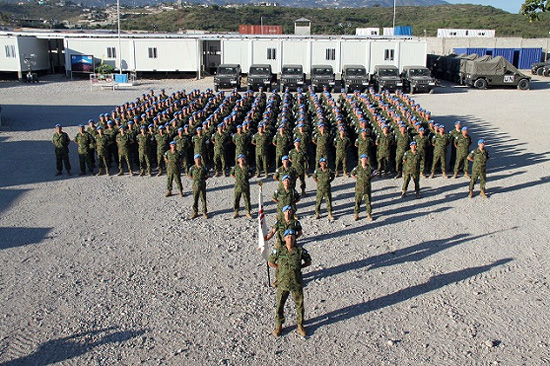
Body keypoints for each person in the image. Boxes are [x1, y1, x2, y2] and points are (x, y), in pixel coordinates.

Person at [268, 229, 311, 337]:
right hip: (283, 283)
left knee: (299, 304)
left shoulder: (300, 251)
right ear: (284, 238)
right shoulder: (279, 250)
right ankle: (279, 325)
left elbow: (308, 261)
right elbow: (270, 262)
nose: (290, 239)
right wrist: (281, 268)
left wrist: (298, 268)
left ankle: (300, 324)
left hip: (296, 282)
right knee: (280, 305)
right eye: (288, 237)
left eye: (292, 237)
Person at [351, 154, 373, 221]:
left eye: (365, 159)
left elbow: (374, 174)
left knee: (368, 202)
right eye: (363, 159)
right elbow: (352, 174)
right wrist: (357, 179)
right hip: (359, 188)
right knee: (357, 201)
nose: (364, 160)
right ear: (360, 160)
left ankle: (369, 214)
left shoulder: (370, 168)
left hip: (367, 188)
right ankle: (356, 214)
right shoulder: (357, 168)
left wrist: (370, 178)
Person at [230, 154, 253, 218]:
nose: (242, 160)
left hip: (245, 185)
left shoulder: (247, 167)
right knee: (237, 199)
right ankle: (236, 212)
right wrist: (237, 178)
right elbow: (231, 174)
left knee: (247, 199)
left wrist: (248, 178)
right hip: (238, 186)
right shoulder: (235, 167)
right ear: (238, 160)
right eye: (240, 159)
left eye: (243, 159)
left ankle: (248, 212)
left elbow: (252, 173)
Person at [187, 154, 209, 219]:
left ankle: (204, 212)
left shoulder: (204, 167)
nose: (198, 160)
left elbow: (207, 175)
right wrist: (194, 179)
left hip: (202, 185)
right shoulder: (192, 168)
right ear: (194, 160)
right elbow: (189, 175)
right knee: (195, 199)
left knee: (203, 199)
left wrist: (202, 179)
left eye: (199, 159)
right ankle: (195, 212)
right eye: (197, 159)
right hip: (195, 186)